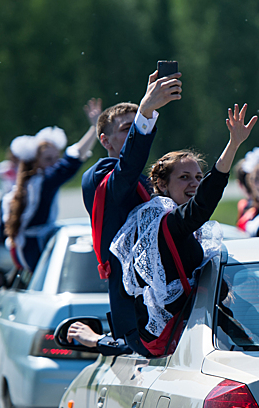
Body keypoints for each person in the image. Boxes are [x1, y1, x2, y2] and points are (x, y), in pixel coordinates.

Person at [68, 103, 257, 356]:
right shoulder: (162, 222)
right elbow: (201, 205)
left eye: (199, 177)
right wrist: (233, 145)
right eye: (184, 177)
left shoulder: (180, 224)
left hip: (192, 334)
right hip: (170, 343)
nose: (194, 184)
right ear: (161, 184)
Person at [78, 66, 183, 355]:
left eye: (133, 126)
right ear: (105, 141)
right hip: (138, 310)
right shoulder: (99, 176)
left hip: (170, 292)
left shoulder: (143, 177)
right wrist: (146, 112)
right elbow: (125, 170)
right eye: (127, 128)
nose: (132, 131)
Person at [1, 102, 99, 271]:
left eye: (56, 158)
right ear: (35, 162)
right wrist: (94, 129)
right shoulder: (43, 183)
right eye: (48, 159)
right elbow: (72, 161)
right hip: (35, 248)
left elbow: (0, 231)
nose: (55, 164)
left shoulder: (23, 186)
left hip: (21, 250)